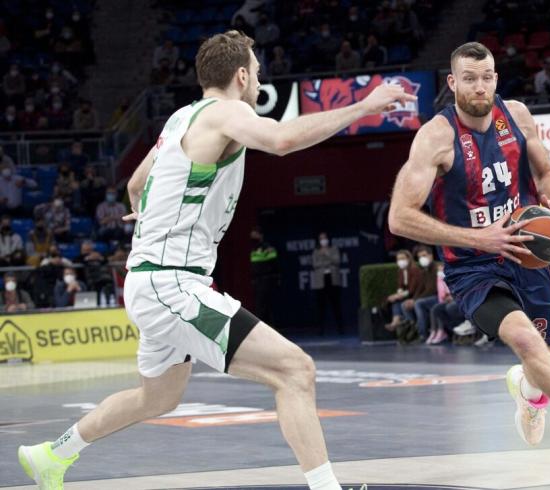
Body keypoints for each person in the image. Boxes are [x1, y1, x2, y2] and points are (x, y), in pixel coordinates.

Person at [17, 30, 411, 490]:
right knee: (295, 369)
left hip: (152, 281)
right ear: (241, 75)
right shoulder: (228, 112)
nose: (260, 80)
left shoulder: (179, 119)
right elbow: (282, 141)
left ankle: (50, 456)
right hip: (171, 285)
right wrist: (364, 105)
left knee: (157, 397)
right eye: (258, 71)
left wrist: (153, 214)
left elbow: (135, 183)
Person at [388, 41, 550, 476]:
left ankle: (528, 391)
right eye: (468, 78)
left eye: (486, 76)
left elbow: (546, 171)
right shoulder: (436, 136)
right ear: (453, 82)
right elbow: (399, 217)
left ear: (495, 78)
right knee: (527, 342)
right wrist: (479, 238)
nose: (479, 86)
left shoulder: (518, 116)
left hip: (527, 255)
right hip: (474, 266)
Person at [312, 232, 343, 335]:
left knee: (336, 305)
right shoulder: (316, 251)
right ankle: (320, 329)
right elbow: (315, 264)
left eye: (325, 238)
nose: (323, 240)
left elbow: (337, 261)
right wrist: (327, 262)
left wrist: (327, 255)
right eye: (321, 239)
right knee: (321, 307)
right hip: (321, 282)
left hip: (332, 280)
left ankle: (340, 328)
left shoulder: (333, 249)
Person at [384, 249, 421, 331]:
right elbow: (400, 286)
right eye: (398, 259)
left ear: (408, 259)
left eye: (402, 258)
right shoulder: (400, 271)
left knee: (401, 303)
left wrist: (398, 296)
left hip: (415, 295)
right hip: (406, 295)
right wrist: (398, 294)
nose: (400, 261)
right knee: (395, 302)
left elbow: (413, 289)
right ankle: (395, 322)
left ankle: (411, 325)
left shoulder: (415, 270)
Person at [249, 226, 280, 325]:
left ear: (260, 235)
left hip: (266, 280)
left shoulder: (268, 248)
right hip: (258, 281)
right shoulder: (254, 248)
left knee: (266, 306)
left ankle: (270, 328)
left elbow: (274, 264)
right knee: (260, 306)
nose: (252, 236)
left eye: (254, 233)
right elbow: (254, 265)